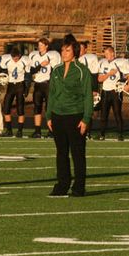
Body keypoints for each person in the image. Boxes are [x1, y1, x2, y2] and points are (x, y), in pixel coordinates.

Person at [46, 35, 93, 197]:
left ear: (75, 52)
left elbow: (88, 96)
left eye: (67, 50)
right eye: (62, 50)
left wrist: (86, 118)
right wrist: (49, 116)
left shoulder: (82, 71)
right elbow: (51, 94)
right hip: (58, 116)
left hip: (75, 116)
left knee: (78, 153)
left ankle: (79, 186)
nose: (64, 53)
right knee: (61, 153)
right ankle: (62, 184)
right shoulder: (57, 70)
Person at [97, 46, 129, 141]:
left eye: (107, 53)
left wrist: (128, 85)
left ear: (112, 53)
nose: (106, 55)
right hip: (105, 91)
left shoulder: (121, 62)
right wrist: (109, 74)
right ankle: (102, 134)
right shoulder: (102, 62)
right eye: (105, 53)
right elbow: (100, 79)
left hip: (116, 91)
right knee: (103, 114)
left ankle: (120, 135)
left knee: (117, 113)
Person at [29, 38, 61, 138]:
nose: (39, 47)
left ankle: (51, 131)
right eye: (39, 45)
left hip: (48, 84)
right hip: (38, 84)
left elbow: (56, 70)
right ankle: (37, 131)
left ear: (46, 46)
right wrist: (40, 65)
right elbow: (31, 71)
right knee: (37, 108)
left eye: (42, 45)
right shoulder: (34, 55)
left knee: (49, 108)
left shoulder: (52, 55)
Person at [0, 47, 31, 138]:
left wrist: (27, 88)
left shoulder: (24, 60)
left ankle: (20, 131)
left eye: (17, 57)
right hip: (10, 85)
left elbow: (28, 74)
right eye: (14, 57)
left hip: (20, 85)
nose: (15, 59)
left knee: (20, 109)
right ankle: (9, 130)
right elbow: (1, 69)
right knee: (6, 108)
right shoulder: (7, 59)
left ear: (20, 56)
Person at [79, 41, 100, 139]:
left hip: (87, 88)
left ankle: (87, 132)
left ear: (85, 49)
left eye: (81, 48)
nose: (79, 51)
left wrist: (94, 89)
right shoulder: (74, 59)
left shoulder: (90, 58)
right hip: (77, 89)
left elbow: (94, 74)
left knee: (88, 110)